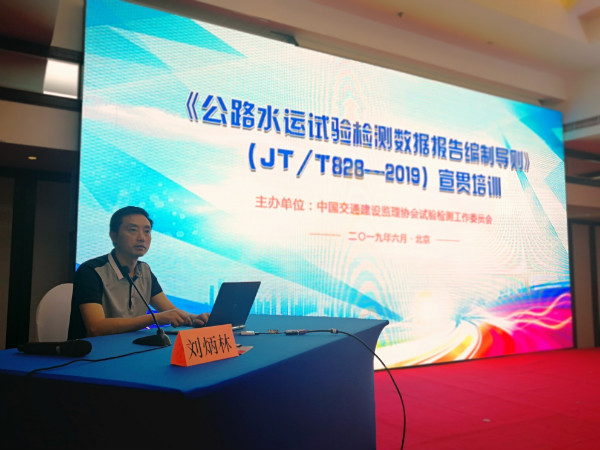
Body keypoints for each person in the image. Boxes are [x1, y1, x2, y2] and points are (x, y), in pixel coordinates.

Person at [68, 206, 209, 340]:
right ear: (114, 236)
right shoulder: (91, 271)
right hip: (91, 352)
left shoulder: (144, 270)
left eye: (147, 231)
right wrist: (156, 318)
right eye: (133, 230)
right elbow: (96, 328)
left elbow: (170, 310)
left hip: (131, 347)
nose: (142, 237)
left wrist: (194, 318)